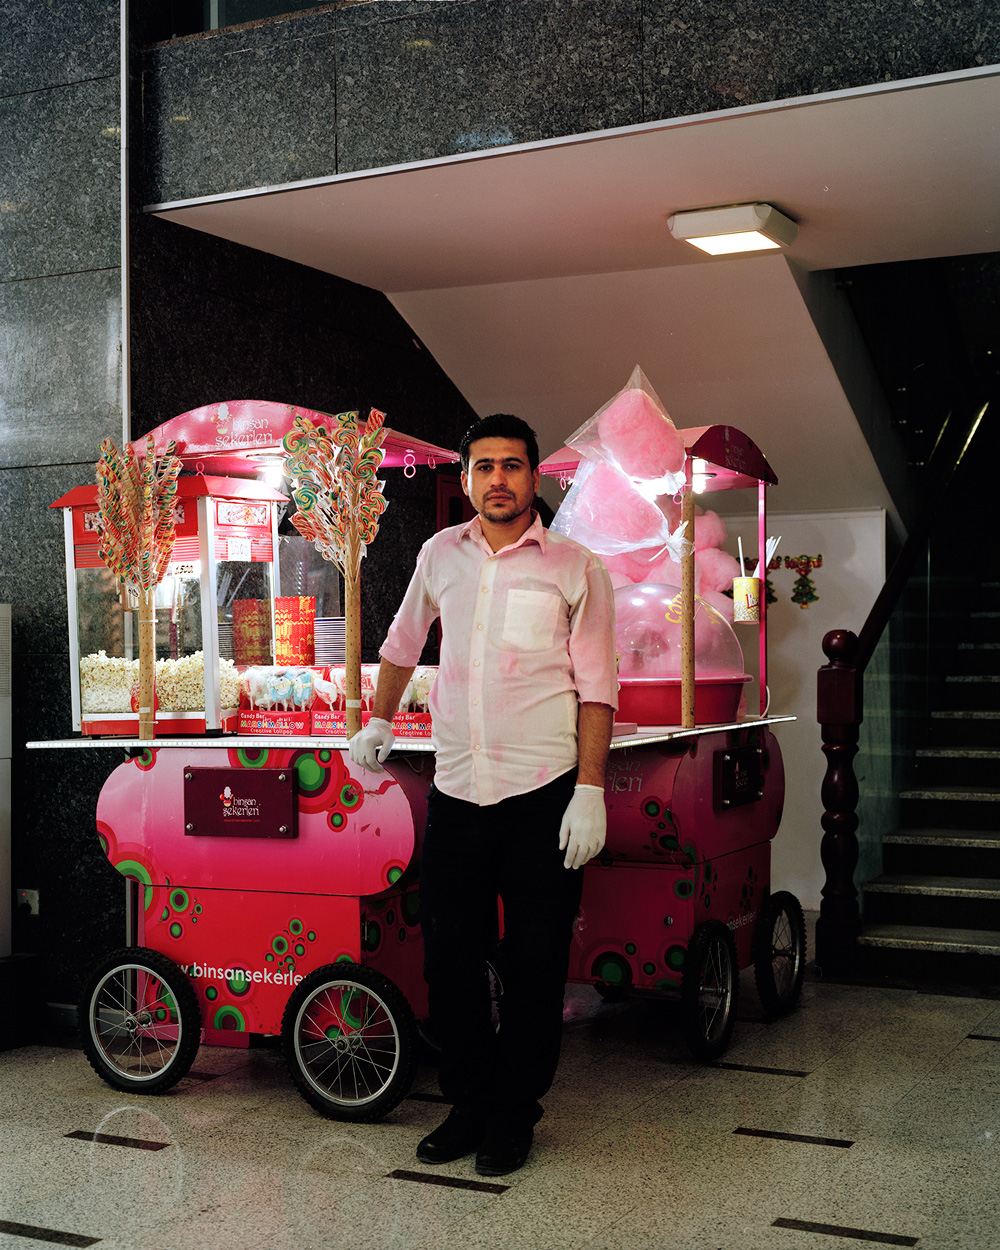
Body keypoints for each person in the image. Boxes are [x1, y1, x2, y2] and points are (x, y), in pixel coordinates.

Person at [349, 413, 617, 1176]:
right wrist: (378, 719)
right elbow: (402, 642)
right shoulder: (440, 554)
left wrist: (589, 791)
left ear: (536, 476)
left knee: (535, 967)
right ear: (465, 478)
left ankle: (514, 1114)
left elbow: (598, 687)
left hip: (544, 796)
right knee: (448, 962)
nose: (498, 479)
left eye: (513, 465)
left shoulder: (576, 566)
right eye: (484, 467)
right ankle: (467, 1104)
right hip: (459, 793)